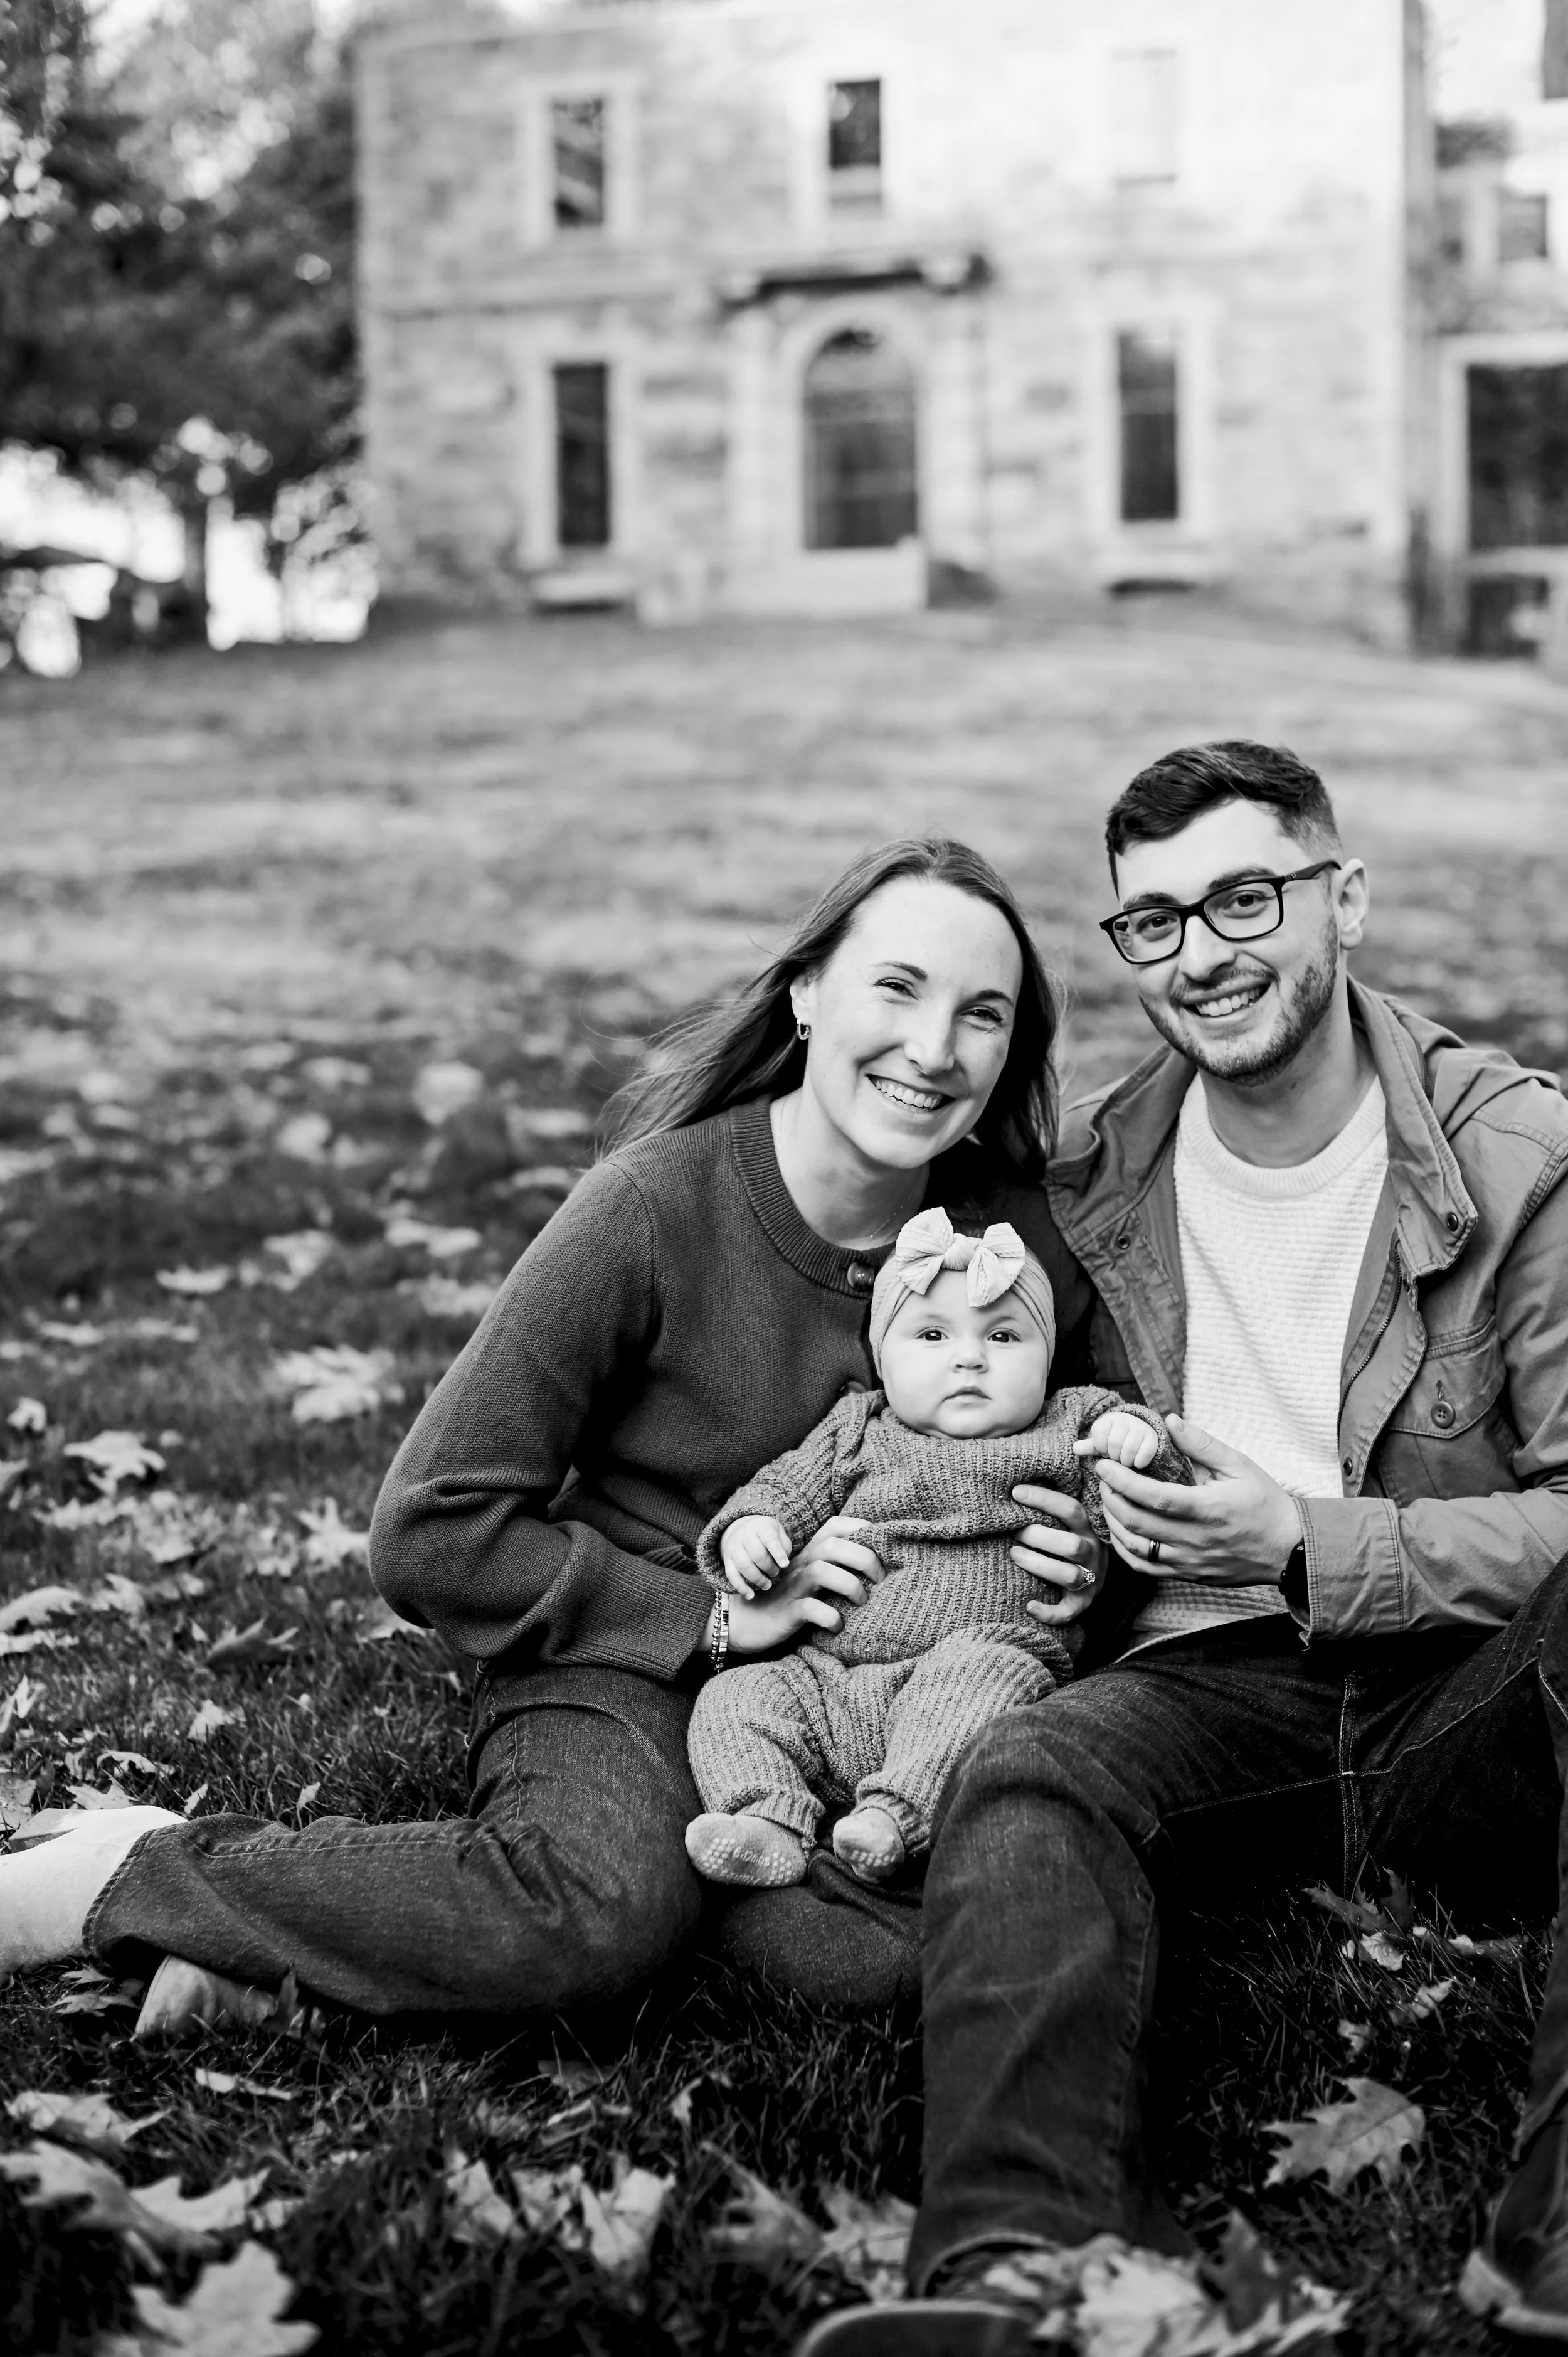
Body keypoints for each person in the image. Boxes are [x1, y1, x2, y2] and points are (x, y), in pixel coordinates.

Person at [0, 836, 1110, 2036]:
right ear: (804, 992)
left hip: (875, 1702)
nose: (935, 1049)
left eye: (982, 1015)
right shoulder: (650, 1208)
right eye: (897, 987)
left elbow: (1102, 1462)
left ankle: (324, 1957)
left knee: (875, 1960)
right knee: (595, 1912)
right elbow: (430, 1528)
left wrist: (1087, 1562)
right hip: (617, 1650)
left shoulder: (1022, 1246)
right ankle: (139, 1874)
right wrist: (717, 1620)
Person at [817, 742, 1568, 2347]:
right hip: (1210, 1682)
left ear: (1344, 897)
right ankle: (1017, 2266)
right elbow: (951, 1375)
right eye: (1152, 920)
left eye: (1244, 896)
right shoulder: (1091, 1180)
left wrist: (1310, 1534)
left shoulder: (1515, 1159)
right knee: (1025, 1766)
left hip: (1473, 1694)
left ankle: (1553, 2243)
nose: (1201, 953)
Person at [685, 1207, 1184, 1891]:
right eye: (931, 1334)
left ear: (1049, 1360)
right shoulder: (855, 1429)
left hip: (977, 1663)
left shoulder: (1069, 1423)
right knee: (737, 1694)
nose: (970, 1356)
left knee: (981, 1678)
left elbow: (1156, 1500)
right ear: (880, 1358)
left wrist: (1138, 1442)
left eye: (1004, 1335)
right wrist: (751, 1532)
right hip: (834, 1681)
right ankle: (766, 1819)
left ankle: (893, 1821)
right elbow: (778, 1489)